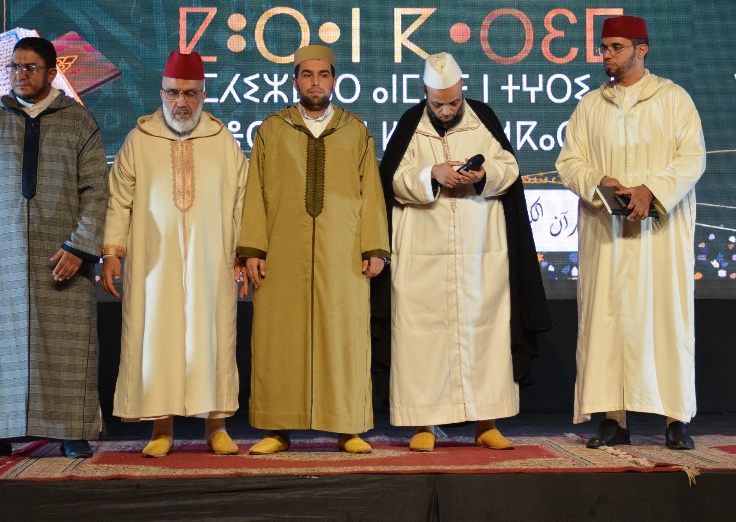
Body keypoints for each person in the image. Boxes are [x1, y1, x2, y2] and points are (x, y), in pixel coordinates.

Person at [378, 53, 550, 451]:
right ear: (425, 93)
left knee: (485, 335)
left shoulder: (483, 119)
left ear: (462, 92)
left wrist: (483, 175)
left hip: (480, 252)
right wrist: (432, 175)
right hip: (422, 254)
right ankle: (423, 424)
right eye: (438, 104)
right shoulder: (410, 124)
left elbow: (509, 169)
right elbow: (391, 181)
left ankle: (486, 423)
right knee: (421, 339)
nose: (446, 111)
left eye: (453, 102)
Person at [0, 36, 109, 462]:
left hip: (63, 260)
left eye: (30, 67)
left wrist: (80, 247)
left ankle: (72, 432)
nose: (20, 74)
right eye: (15, 67)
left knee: (68, 348)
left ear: (52, 73)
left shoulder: (78, 121)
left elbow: (96, 192)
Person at [555, 15, 706, 451]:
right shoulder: (590, 106)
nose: (607, 55)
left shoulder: (673, 99)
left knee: (666, 319)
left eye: (616, 47)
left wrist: (651, 190)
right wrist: (598, 181)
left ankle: (676, 418)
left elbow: (692, 158)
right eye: (604, 48)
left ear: (642, 49)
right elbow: (569, 161)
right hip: (607, 235)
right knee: (607, 321)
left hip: (660, 234)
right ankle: (612, 418)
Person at [237, 44, 390, 455]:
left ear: (334, 81)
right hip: (282, 253)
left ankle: (348, 426)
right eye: (307, 75)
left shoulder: (355, 131)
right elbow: (255, 194)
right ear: (294, 81)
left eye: (323, 75)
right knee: (278, 338)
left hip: (343, 254)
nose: (315, 83)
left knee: (343, 337)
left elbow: (372, 195)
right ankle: (276, 429)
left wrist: (374, 247)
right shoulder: (272, 130)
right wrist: (253, 249)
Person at [100, 50, 248, 458]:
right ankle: (161, 429)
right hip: (154, 261)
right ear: (161, 93)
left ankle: (216, 427)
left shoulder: (222, 140)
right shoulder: (139, 140)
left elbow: (242, 200)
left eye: (189, 93)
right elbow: (118, 200)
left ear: (203, 95)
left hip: (211, 260)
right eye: (172, 93)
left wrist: (241, 251)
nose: (180, 102)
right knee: (156, 339)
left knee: (211, 337)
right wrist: (112, 252)